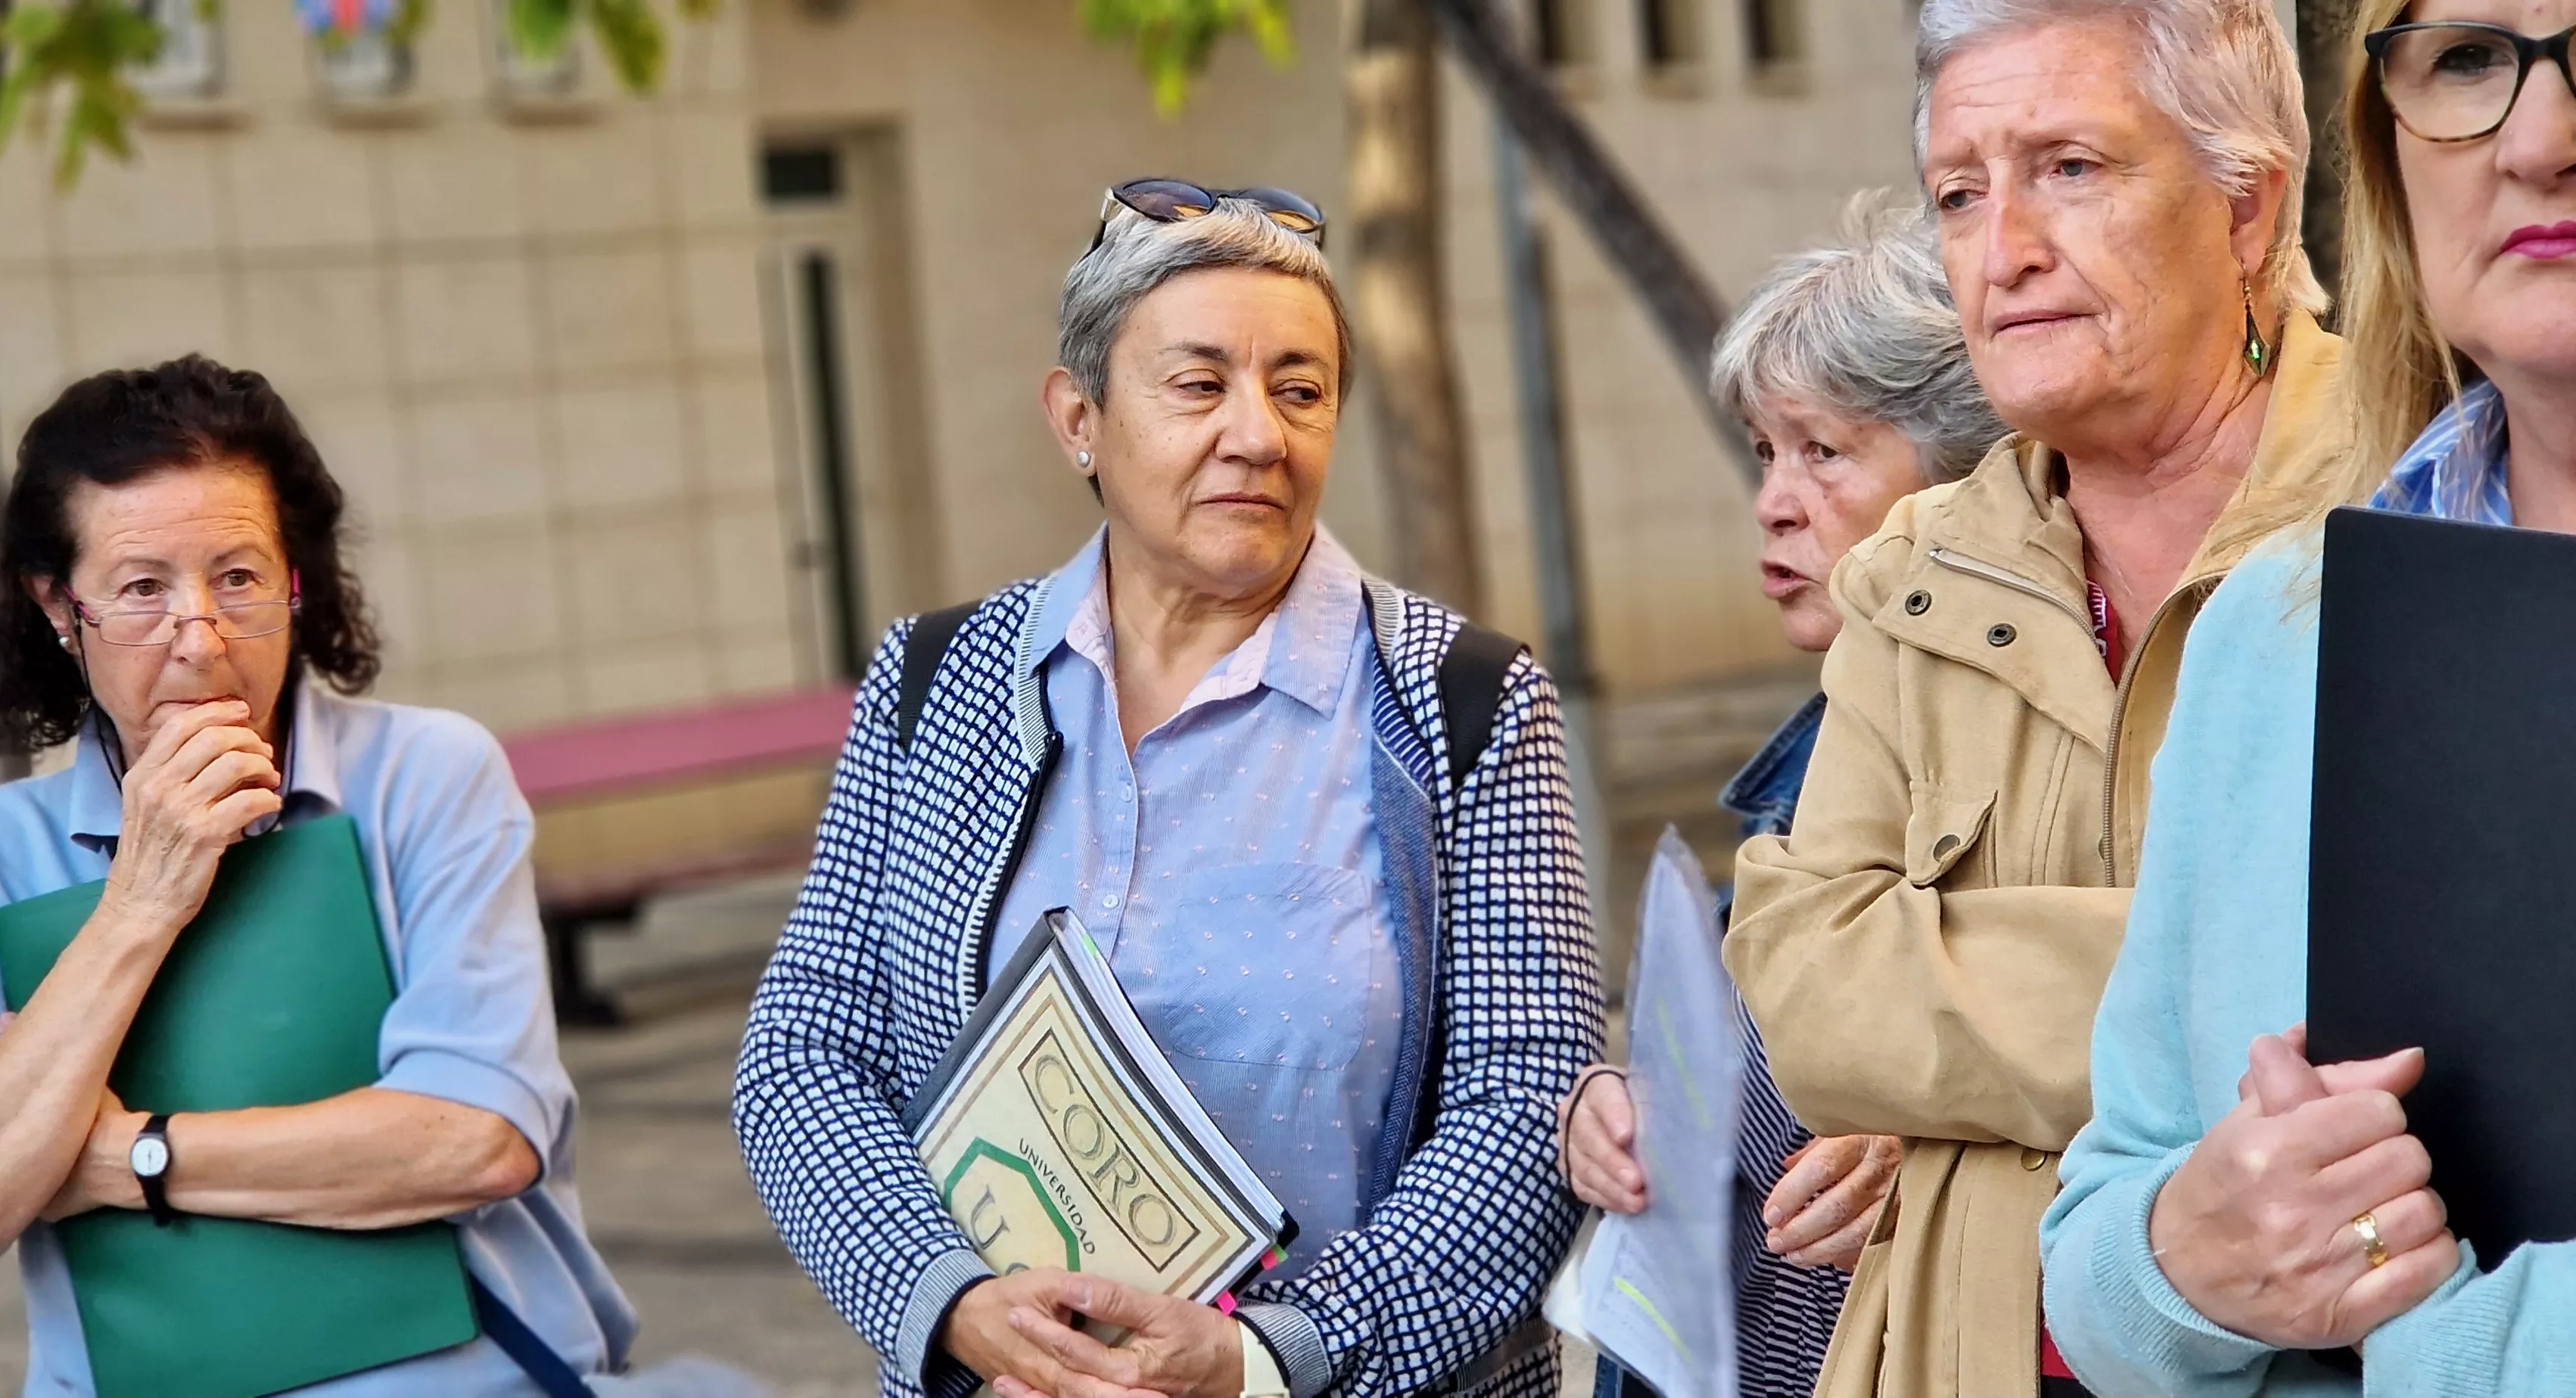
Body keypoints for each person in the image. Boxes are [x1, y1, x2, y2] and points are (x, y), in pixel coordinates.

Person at [732, 181, 1601, 1398]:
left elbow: (1530, 1103)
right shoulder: (937, 683)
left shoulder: (1458, 702)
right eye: (1199, 385)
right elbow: (804, 1055)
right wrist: (956, 1304)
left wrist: (1260, 1355)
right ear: (1078, 418)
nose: (1258, 433)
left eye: (1300, 390)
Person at [1721, 0, 2373, 1391]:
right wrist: (2243, 978)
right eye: (1960, 193)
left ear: (2249, 208)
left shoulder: (2420, 502)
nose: (2004, 249)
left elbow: (2455, 1008)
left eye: (2070, 169)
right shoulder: (1913, 570)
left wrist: (1957, 1020)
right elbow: (1809, 989)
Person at [0, 356, 633, 1395]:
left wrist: (124, 1158)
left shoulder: (426, 778)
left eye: (240, 578)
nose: (201, 642)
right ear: (57, 607)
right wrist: (138, 906)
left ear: (297, 583)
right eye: (141, 590)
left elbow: (473, 1142)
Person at [2042, 0, 2576, 1387]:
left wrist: (2425, 1314)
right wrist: (2191, 1262)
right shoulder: (2275, 632)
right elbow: (2098, 1238)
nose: (2541, 137)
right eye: (2465, 58)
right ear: (2387, 146)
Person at [1563, 197, 2007, 1398]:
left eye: (1824, 450)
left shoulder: (2038, 770)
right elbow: (1740, 1104)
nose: (1772, 501)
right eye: (1765, 452)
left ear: (1969, 477)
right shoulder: (1801, 775)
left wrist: (1925, 1153)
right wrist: (1617, 1109)